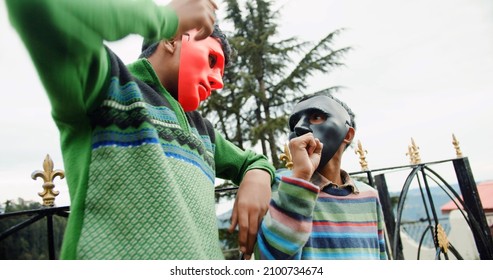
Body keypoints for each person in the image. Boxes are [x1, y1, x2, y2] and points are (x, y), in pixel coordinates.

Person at [6, 0, 275, 259]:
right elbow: (36, 6)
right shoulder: (106, 87)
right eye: (212, 60)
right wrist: (162, 18)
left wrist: (257, 175)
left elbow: (253, 162)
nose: (218, 82)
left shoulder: (203, 131)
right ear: (171, 39)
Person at [255, 92, 387, 260]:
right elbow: (270, 260)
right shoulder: (281, 187)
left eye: (316, 117)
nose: (299, 128)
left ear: (348, 135)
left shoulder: (368, 196)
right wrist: (300, 178)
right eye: (294, 122)